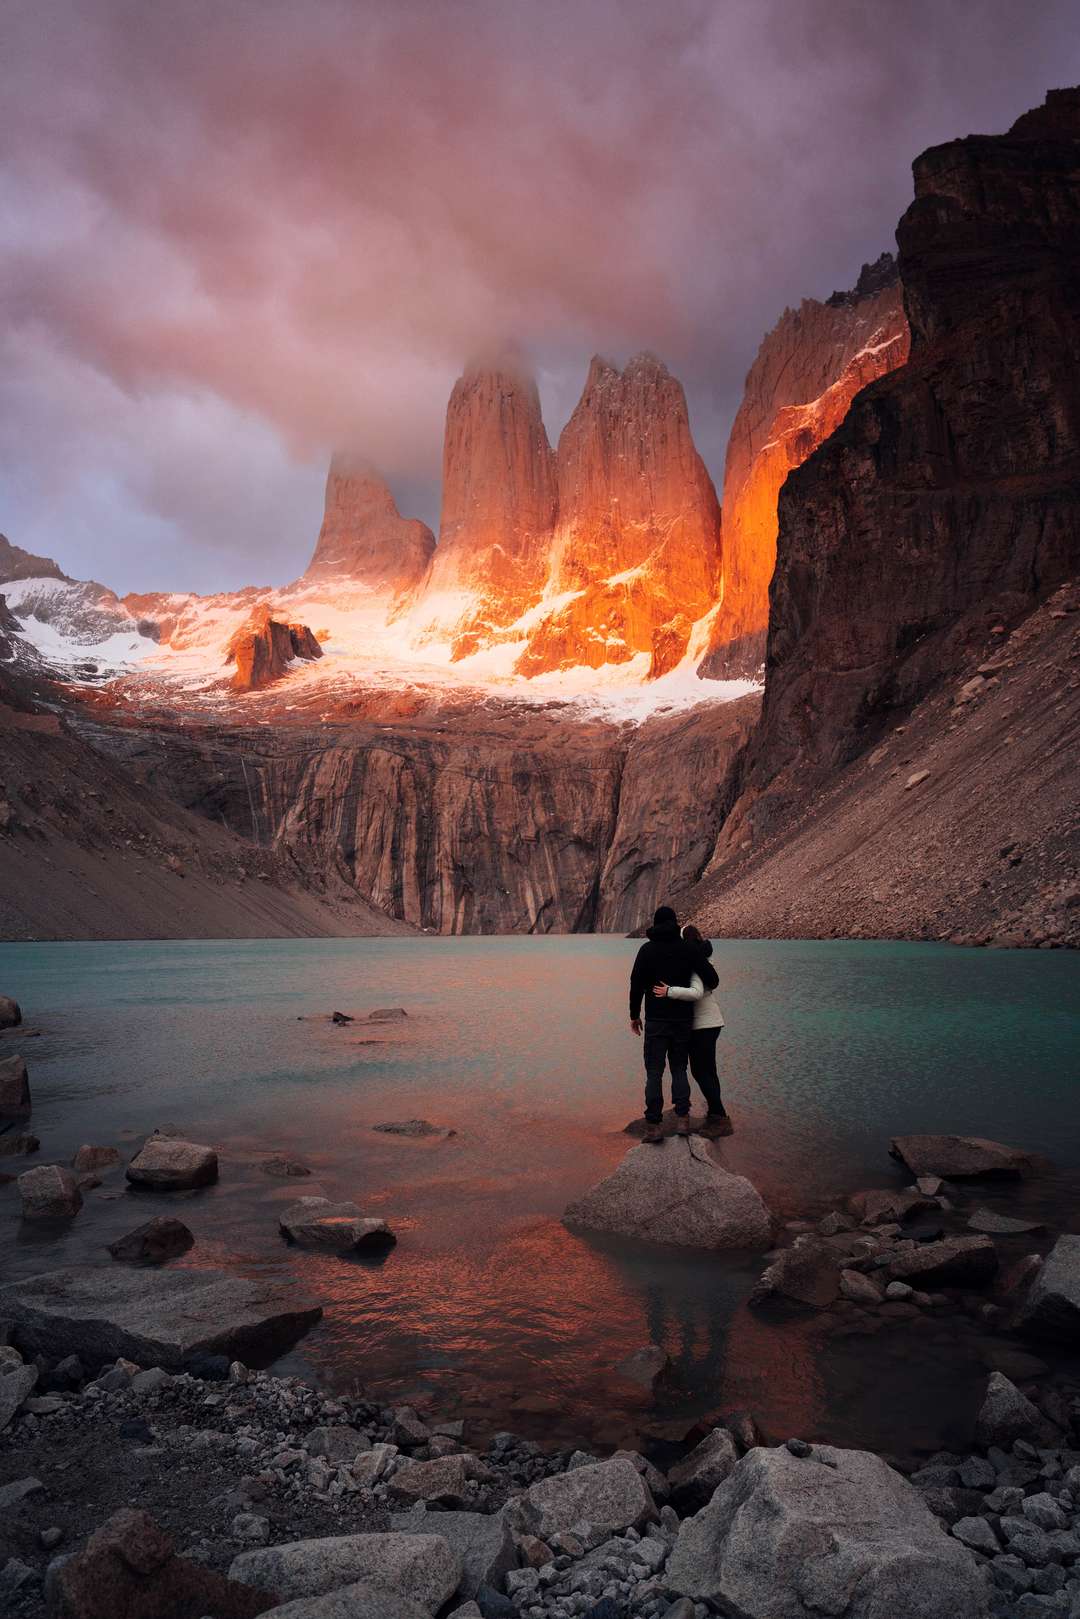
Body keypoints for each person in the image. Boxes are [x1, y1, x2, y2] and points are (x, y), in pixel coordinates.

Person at [653, 923, 734, 1138]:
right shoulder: (702, 957)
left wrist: (669, 991)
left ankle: (719, 1117)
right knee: (708, 1071)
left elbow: (697, 992)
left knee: (701, 1071)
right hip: (709, 1022)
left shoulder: (697, 962)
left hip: (703, 1024)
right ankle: (717, 1114)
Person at [628, 904, 700, 1143]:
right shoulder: (687, 949)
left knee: (654, 1072)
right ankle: (682, 1119)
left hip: (656, 1020)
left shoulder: (647, 950)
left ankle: (654, 1125)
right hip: (682, 1020)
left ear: (656, 924)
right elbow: (708, 975)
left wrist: (634, 1014)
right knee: (680, 1068)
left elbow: (636, 983)